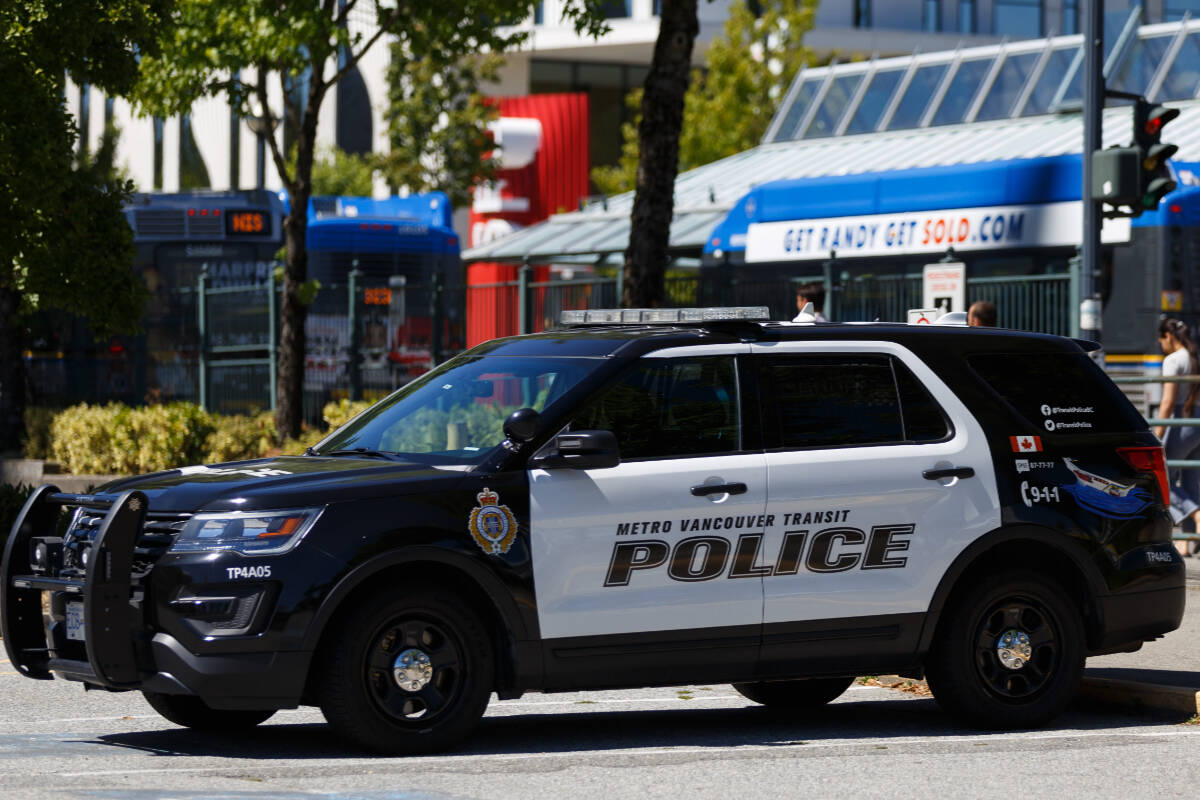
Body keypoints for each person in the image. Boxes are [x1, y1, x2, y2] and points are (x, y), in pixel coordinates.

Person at [1156, 317, 1200, 553]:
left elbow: (1167, 401)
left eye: (1161, 341)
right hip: (1197, 420)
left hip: (1181, 420)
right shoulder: (1195, 357)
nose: (1161, 346)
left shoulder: (1173, 360)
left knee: (1162, 476)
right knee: (1192, 481)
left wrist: (1157, 433)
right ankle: (1188, 541)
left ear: (1169, 336)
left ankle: (1198, 516)